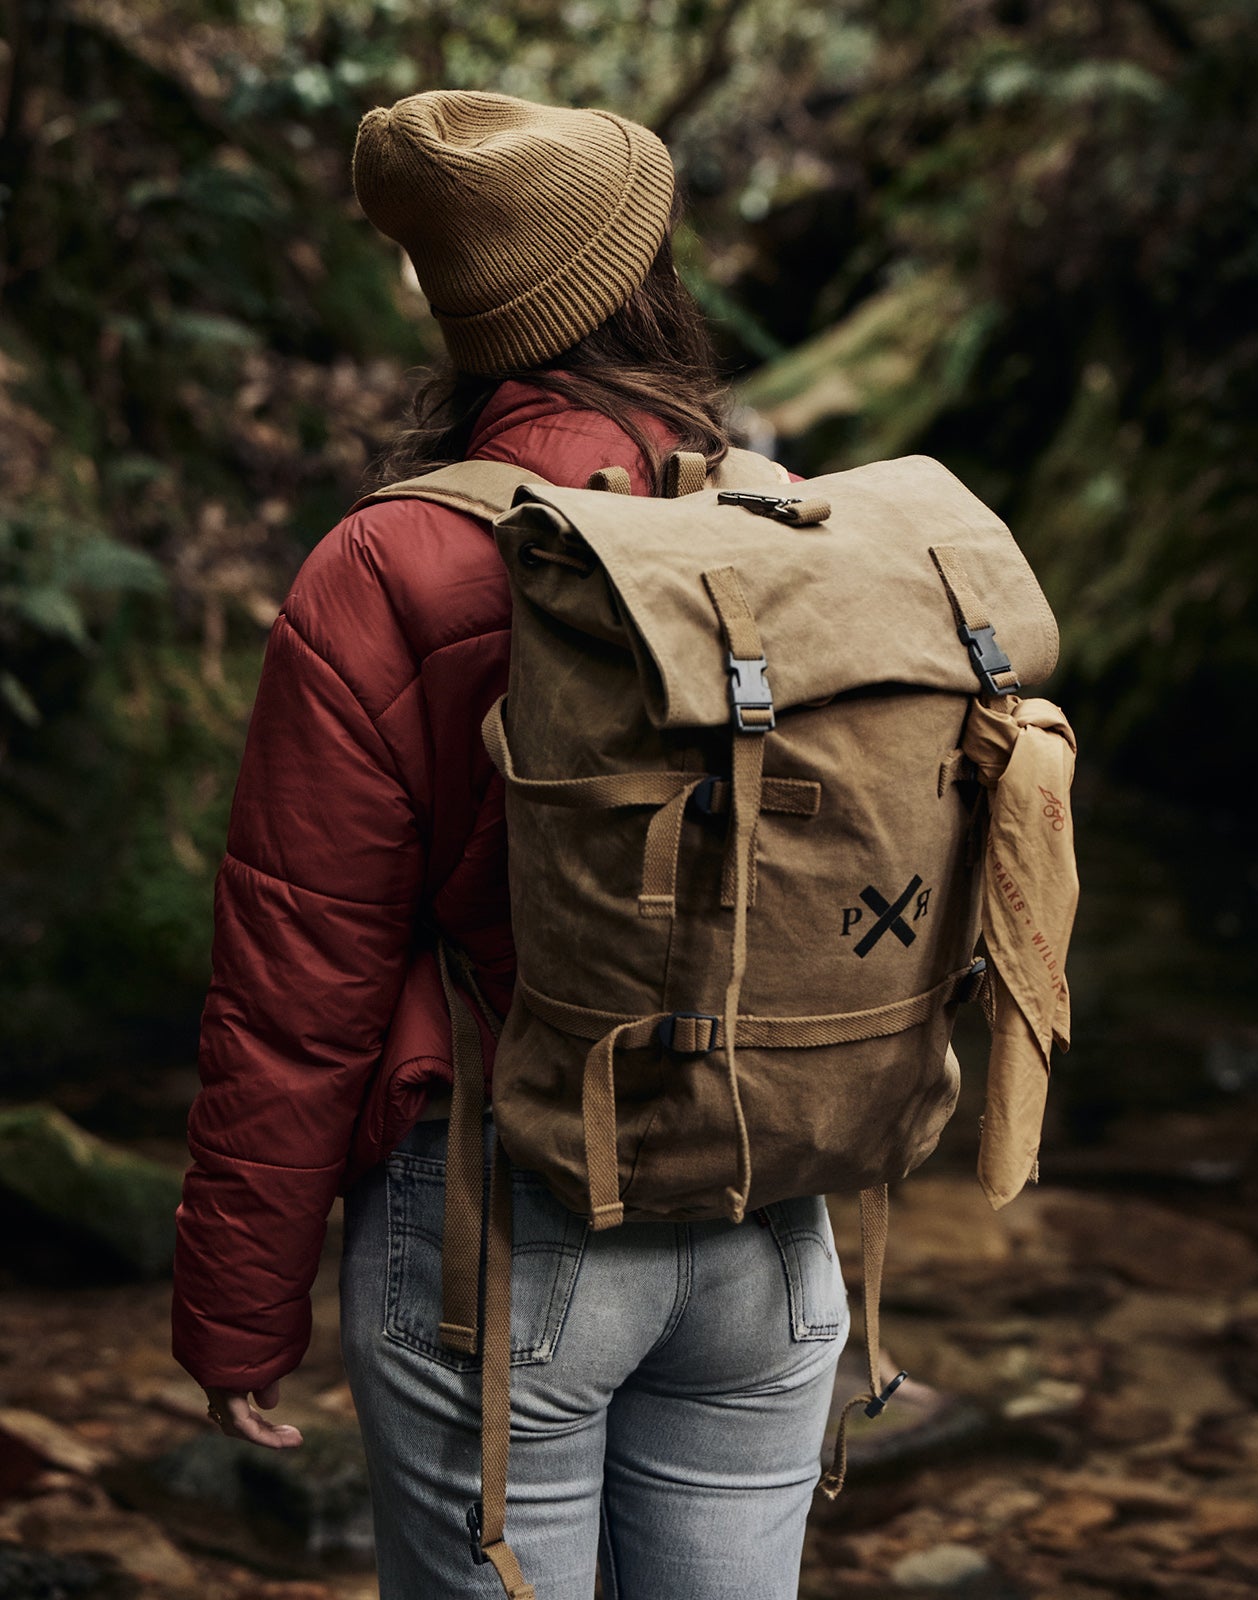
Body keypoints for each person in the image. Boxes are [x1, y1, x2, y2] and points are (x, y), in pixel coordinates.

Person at [171, 90, 849, 1600]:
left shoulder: (391, 560)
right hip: (770, 1215)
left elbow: (299, 989)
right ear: (642, 277)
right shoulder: (785, 520)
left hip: (507, 1227)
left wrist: (235, 1313)